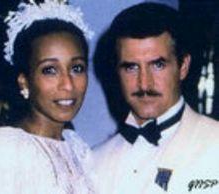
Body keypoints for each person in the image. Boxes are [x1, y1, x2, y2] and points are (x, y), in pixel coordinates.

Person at [94, 3, 219, 194]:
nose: (144, 84)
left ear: (183, 66)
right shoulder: (94, 162)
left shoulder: (214, 143)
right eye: (131, 67)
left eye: (158, 65)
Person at [0, 0, 96, 194]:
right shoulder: (8, 146)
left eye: (77, 68)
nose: (68, 84)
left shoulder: (77, 148)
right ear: (24, 81)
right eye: (50, 70)